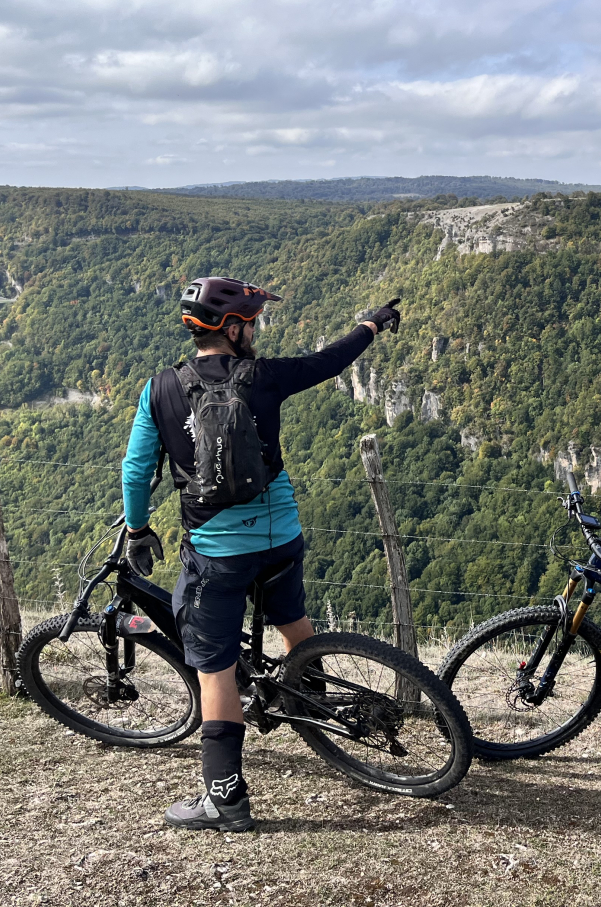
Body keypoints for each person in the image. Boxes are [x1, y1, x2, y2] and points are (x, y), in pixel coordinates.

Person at [120, 276, 402, 831]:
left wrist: (137, 529)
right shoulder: (265, 376)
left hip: (217, 553)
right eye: (251, 322)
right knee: (291, 615)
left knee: (215, 667)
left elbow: (136, 471)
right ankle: (308, 699)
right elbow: (329, 361)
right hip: (280, 536)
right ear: (232, 327)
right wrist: (370, 323)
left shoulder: (159, 389)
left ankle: (225, 798)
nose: (255, 330)